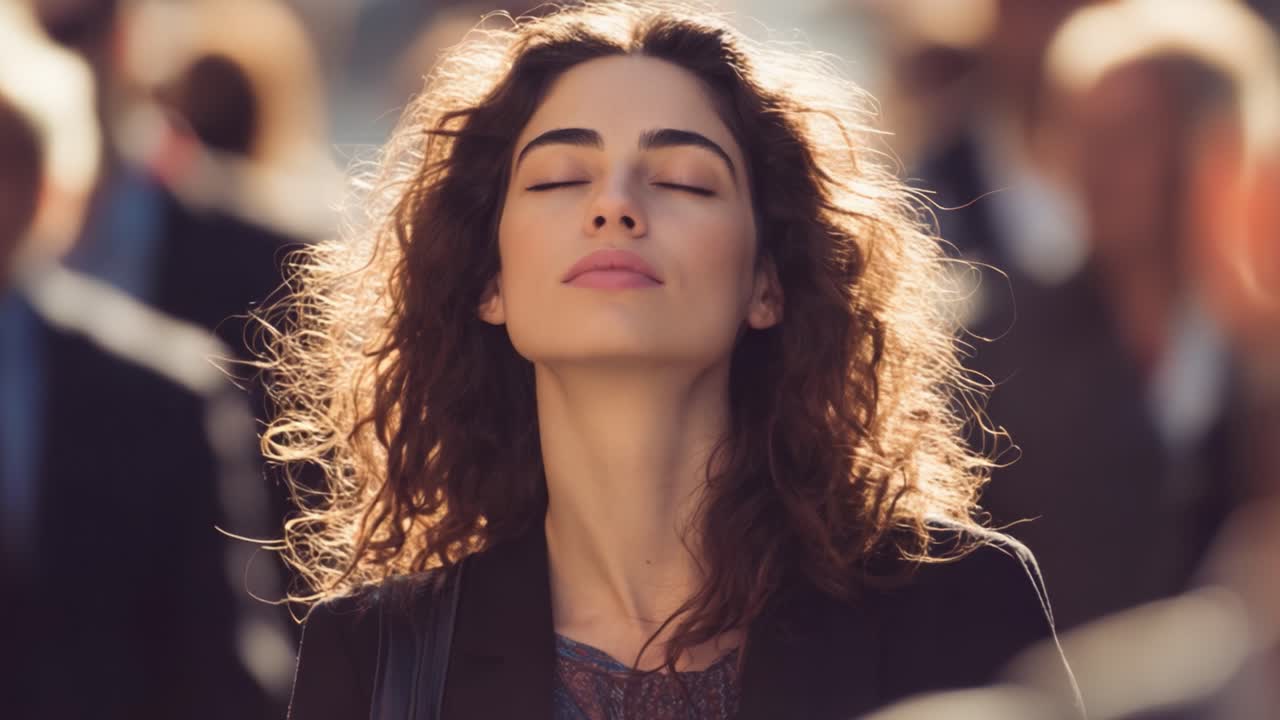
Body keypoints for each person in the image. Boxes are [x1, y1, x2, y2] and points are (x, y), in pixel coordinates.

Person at [275, 3, 1079, 719]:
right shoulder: (376, 655)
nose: (615, 204)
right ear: (491, 281)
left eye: (684, 181)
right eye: (560, 177)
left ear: (767, 281)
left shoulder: (957, 600)